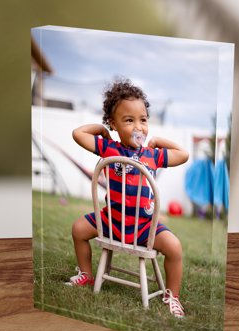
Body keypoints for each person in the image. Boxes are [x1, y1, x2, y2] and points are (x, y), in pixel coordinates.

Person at [67, 79, 189, 318]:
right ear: (114, 123)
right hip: (111, 221)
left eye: (143, 120)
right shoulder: (108, 148)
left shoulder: (152, 155)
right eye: (129, 120)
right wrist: (102, 130)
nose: (138, 127)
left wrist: (158, 141)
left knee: (174, 247)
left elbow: (183, 154)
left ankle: (172, 296)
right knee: (78, 229)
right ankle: (86, 273)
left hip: (144, 227)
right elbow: (77, 134)